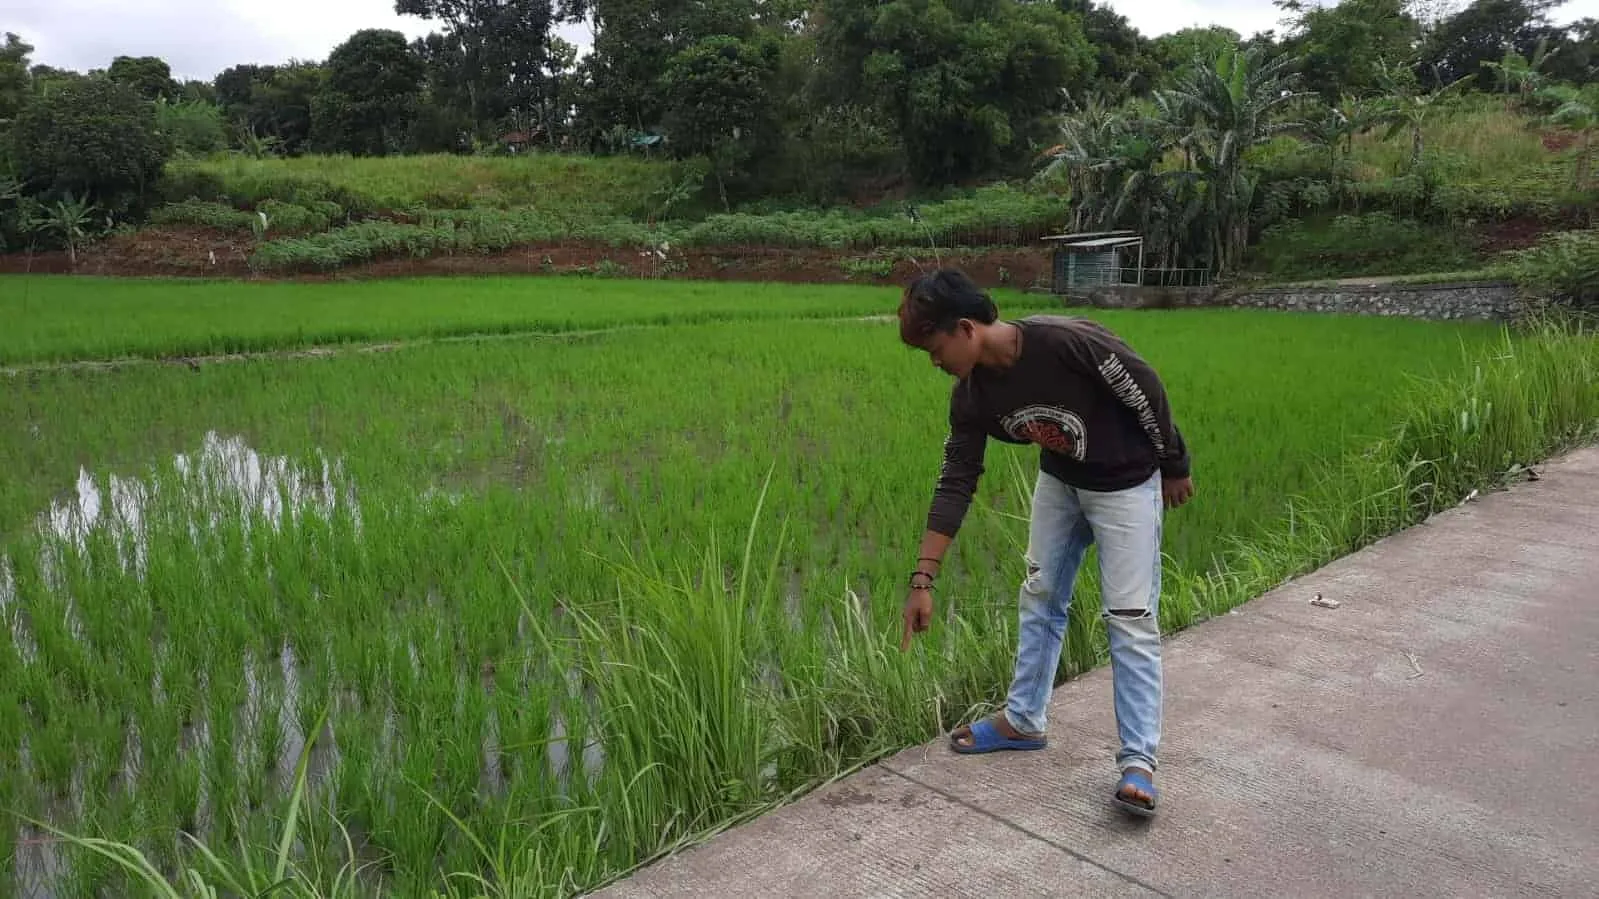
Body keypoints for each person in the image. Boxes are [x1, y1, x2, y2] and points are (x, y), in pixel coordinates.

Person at [895, 267, 1194, 819]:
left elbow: (1144, 387)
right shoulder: (971, 397)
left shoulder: (1065, 342)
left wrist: (1174, 464)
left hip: (1127, 484)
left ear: (965, 329)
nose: (934, 363)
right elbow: (956, 478)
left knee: (1129, 616)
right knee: (1040, 594)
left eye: (934, 349)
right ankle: (1024, 720)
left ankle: (1138, 764)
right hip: (1062, 482)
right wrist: (923, 579)